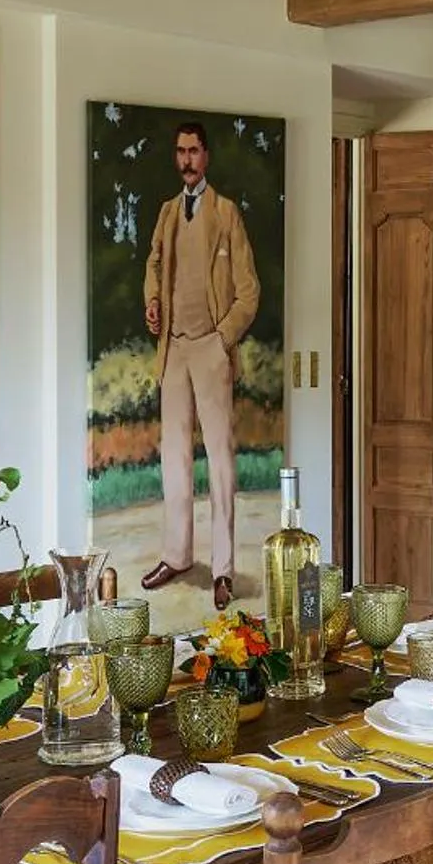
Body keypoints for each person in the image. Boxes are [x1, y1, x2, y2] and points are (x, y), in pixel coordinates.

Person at [140, 119, 260, 601]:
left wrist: (221, 338)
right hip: (173, 349)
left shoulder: (226, 213)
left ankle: (224, 570)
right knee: (174, 456)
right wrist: (153, 300)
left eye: (193, 151)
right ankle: (177, 555)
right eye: (180, 151)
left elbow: (249, 292)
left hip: (211, 348)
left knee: (220, 459)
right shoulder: (168, 212)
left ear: (206, 156)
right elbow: (153, 264)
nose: (186, 160)